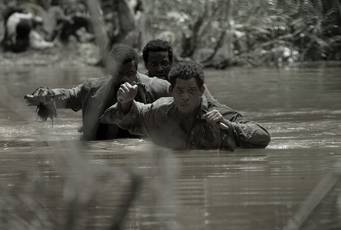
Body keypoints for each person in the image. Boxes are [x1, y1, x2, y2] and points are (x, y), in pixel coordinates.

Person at [100, 61, 271, 150]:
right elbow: (130, 116)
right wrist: (125, 102)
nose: (185, 97)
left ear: (202, 90)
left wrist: (231, 127)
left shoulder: (217, 113)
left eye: (191, 91)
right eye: (180, 91)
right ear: (171, 90)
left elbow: (263, 136)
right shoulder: (160, 110)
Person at [24, 44, 170, 141]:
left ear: (136, 69)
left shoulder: (159, 88)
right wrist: (46, 96)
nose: (125, 79)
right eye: (119, 73)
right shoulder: (92, 89)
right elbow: (68, 95)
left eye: (130, 74)